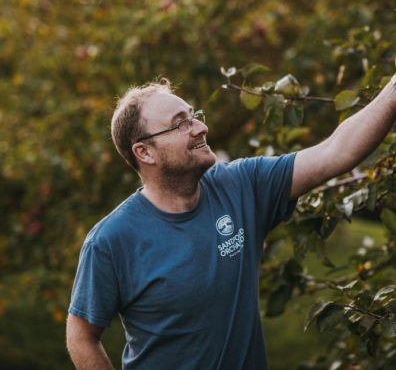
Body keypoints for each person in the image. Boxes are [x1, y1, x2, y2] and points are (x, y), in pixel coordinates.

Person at [66, 75, 396, 369]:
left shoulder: (240, 186)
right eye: (181, 124)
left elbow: (337, 152)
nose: (200, 128)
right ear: (145, 152)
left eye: (194, 117)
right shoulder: (112, 240)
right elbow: (81, 334)